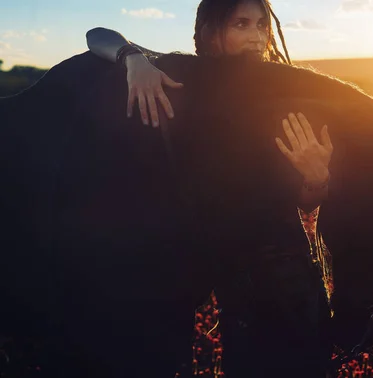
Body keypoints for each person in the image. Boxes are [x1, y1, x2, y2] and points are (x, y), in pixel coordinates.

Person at [86, 0, 335, 377]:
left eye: (261, 25)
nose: (255, 36)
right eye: (241, 24)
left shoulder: (282, 86)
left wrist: (316, 175)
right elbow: (96, 35)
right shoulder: (186, 74)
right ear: (210, 31)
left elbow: (304, 201)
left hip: (295, 275)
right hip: (235, 283)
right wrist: (132, 59)